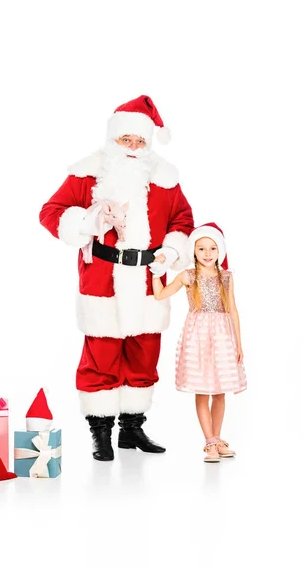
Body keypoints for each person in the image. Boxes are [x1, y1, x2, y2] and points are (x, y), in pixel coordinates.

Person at [39, 95, 194, 461]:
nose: (134, 147)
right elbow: (51, 212)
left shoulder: (164, 176)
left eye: (140, 141)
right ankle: (101, 433)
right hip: (102, 281)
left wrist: (171, 252)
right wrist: (90, 221)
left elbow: (182, 220)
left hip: (147, 282)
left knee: (143, 355)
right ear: (113, 138)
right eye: (127, 139)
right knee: (102, 357)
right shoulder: (88, 173)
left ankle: (132, 429)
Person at [152, 222, 247, 462]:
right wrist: (156, 272)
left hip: (223, 336)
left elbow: (233, 310)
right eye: (202, 248)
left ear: (220, 251)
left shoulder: (226, 277)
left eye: (212, 249)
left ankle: (218, 438)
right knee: (203, 390)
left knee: (220, 390)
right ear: (193, 250)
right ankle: (209, 442)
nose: (207, 254)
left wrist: (239, 343)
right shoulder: (188, 276)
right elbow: (160, 294)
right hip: (198, 337)